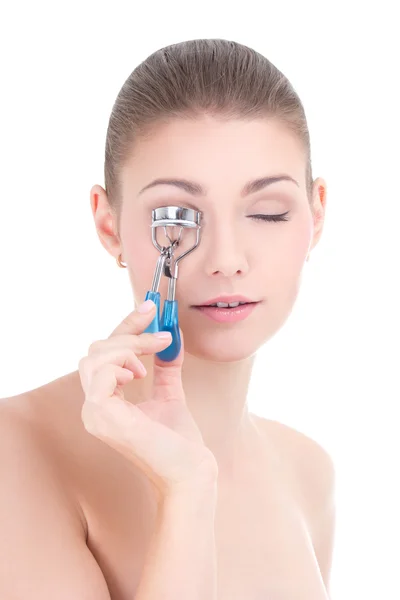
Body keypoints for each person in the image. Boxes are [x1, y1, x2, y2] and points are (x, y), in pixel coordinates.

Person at [0, 38, 335, 599]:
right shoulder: (17, 453)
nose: (227, 259)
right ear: (109, 227)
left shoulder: (309, 475)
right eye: (176, 218)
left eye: (268, 212)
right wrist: (185, 494)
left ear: (316, 216)